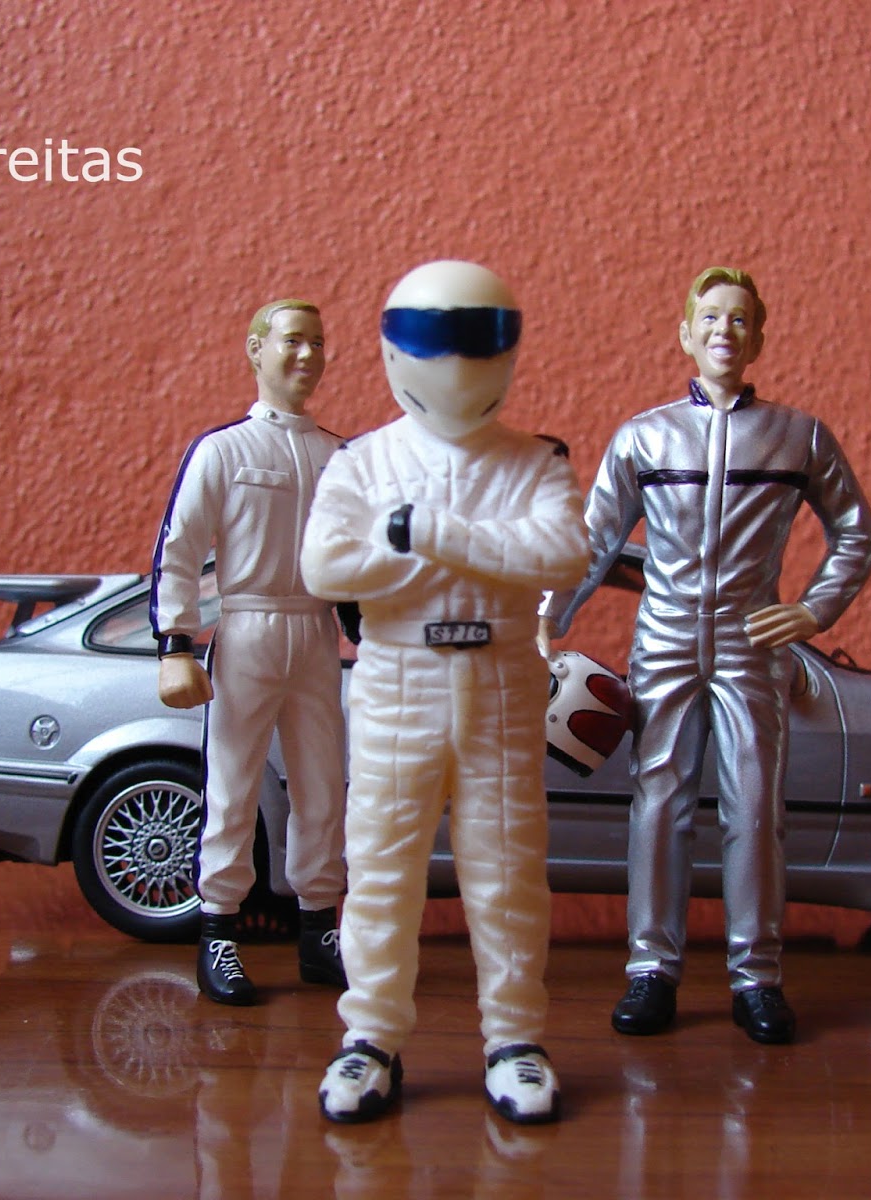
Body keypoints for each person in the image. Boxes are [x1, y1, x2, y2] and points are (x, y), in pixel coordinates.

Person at [540, 267, 871, 1044]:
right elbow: (594, 540)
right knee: (658, 800)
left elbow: (857, 534)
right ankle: (650, 969)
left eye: (740, 319)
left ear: (758, 338)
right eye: (711, 318)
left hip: (749, 640)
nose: (725, 330)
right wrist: (549, 616)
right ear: (686, 334)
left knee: (755, 805)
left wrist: (814, 609)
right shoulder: (645, 436)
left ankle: (757, 975)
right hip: (663, 637)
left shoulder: (798, 435)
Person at [301, 260, 589, 1124]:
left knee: (507, 872)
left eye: (476, 341)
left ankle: (515, 1037)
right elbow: (325, 568)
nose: (455, 362)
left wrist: (422, 532)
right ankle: (369, 1036)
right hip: (397, 678)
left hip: (501, 680)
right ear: (395, 349)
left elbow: (559, 555)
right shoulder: (361, 462)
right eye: (435, 341)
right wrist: (472, 553)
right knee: (381, 868)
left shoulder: (536, 461)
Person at [150, 298, 349, 1006]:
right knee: (232, 784)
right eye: (292, 340)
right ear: (255, 349)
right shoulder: (224, 450)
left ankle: (319, 926)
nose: (307, 355)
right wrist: (175, 643)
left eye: (317, 342)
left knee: (323, 785)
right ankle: (219, 929)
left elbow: (356, 556)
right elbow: (180, 549)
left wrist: (372, 626)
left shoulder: (340, 455)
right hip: (248, 629)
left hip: (316, 633)